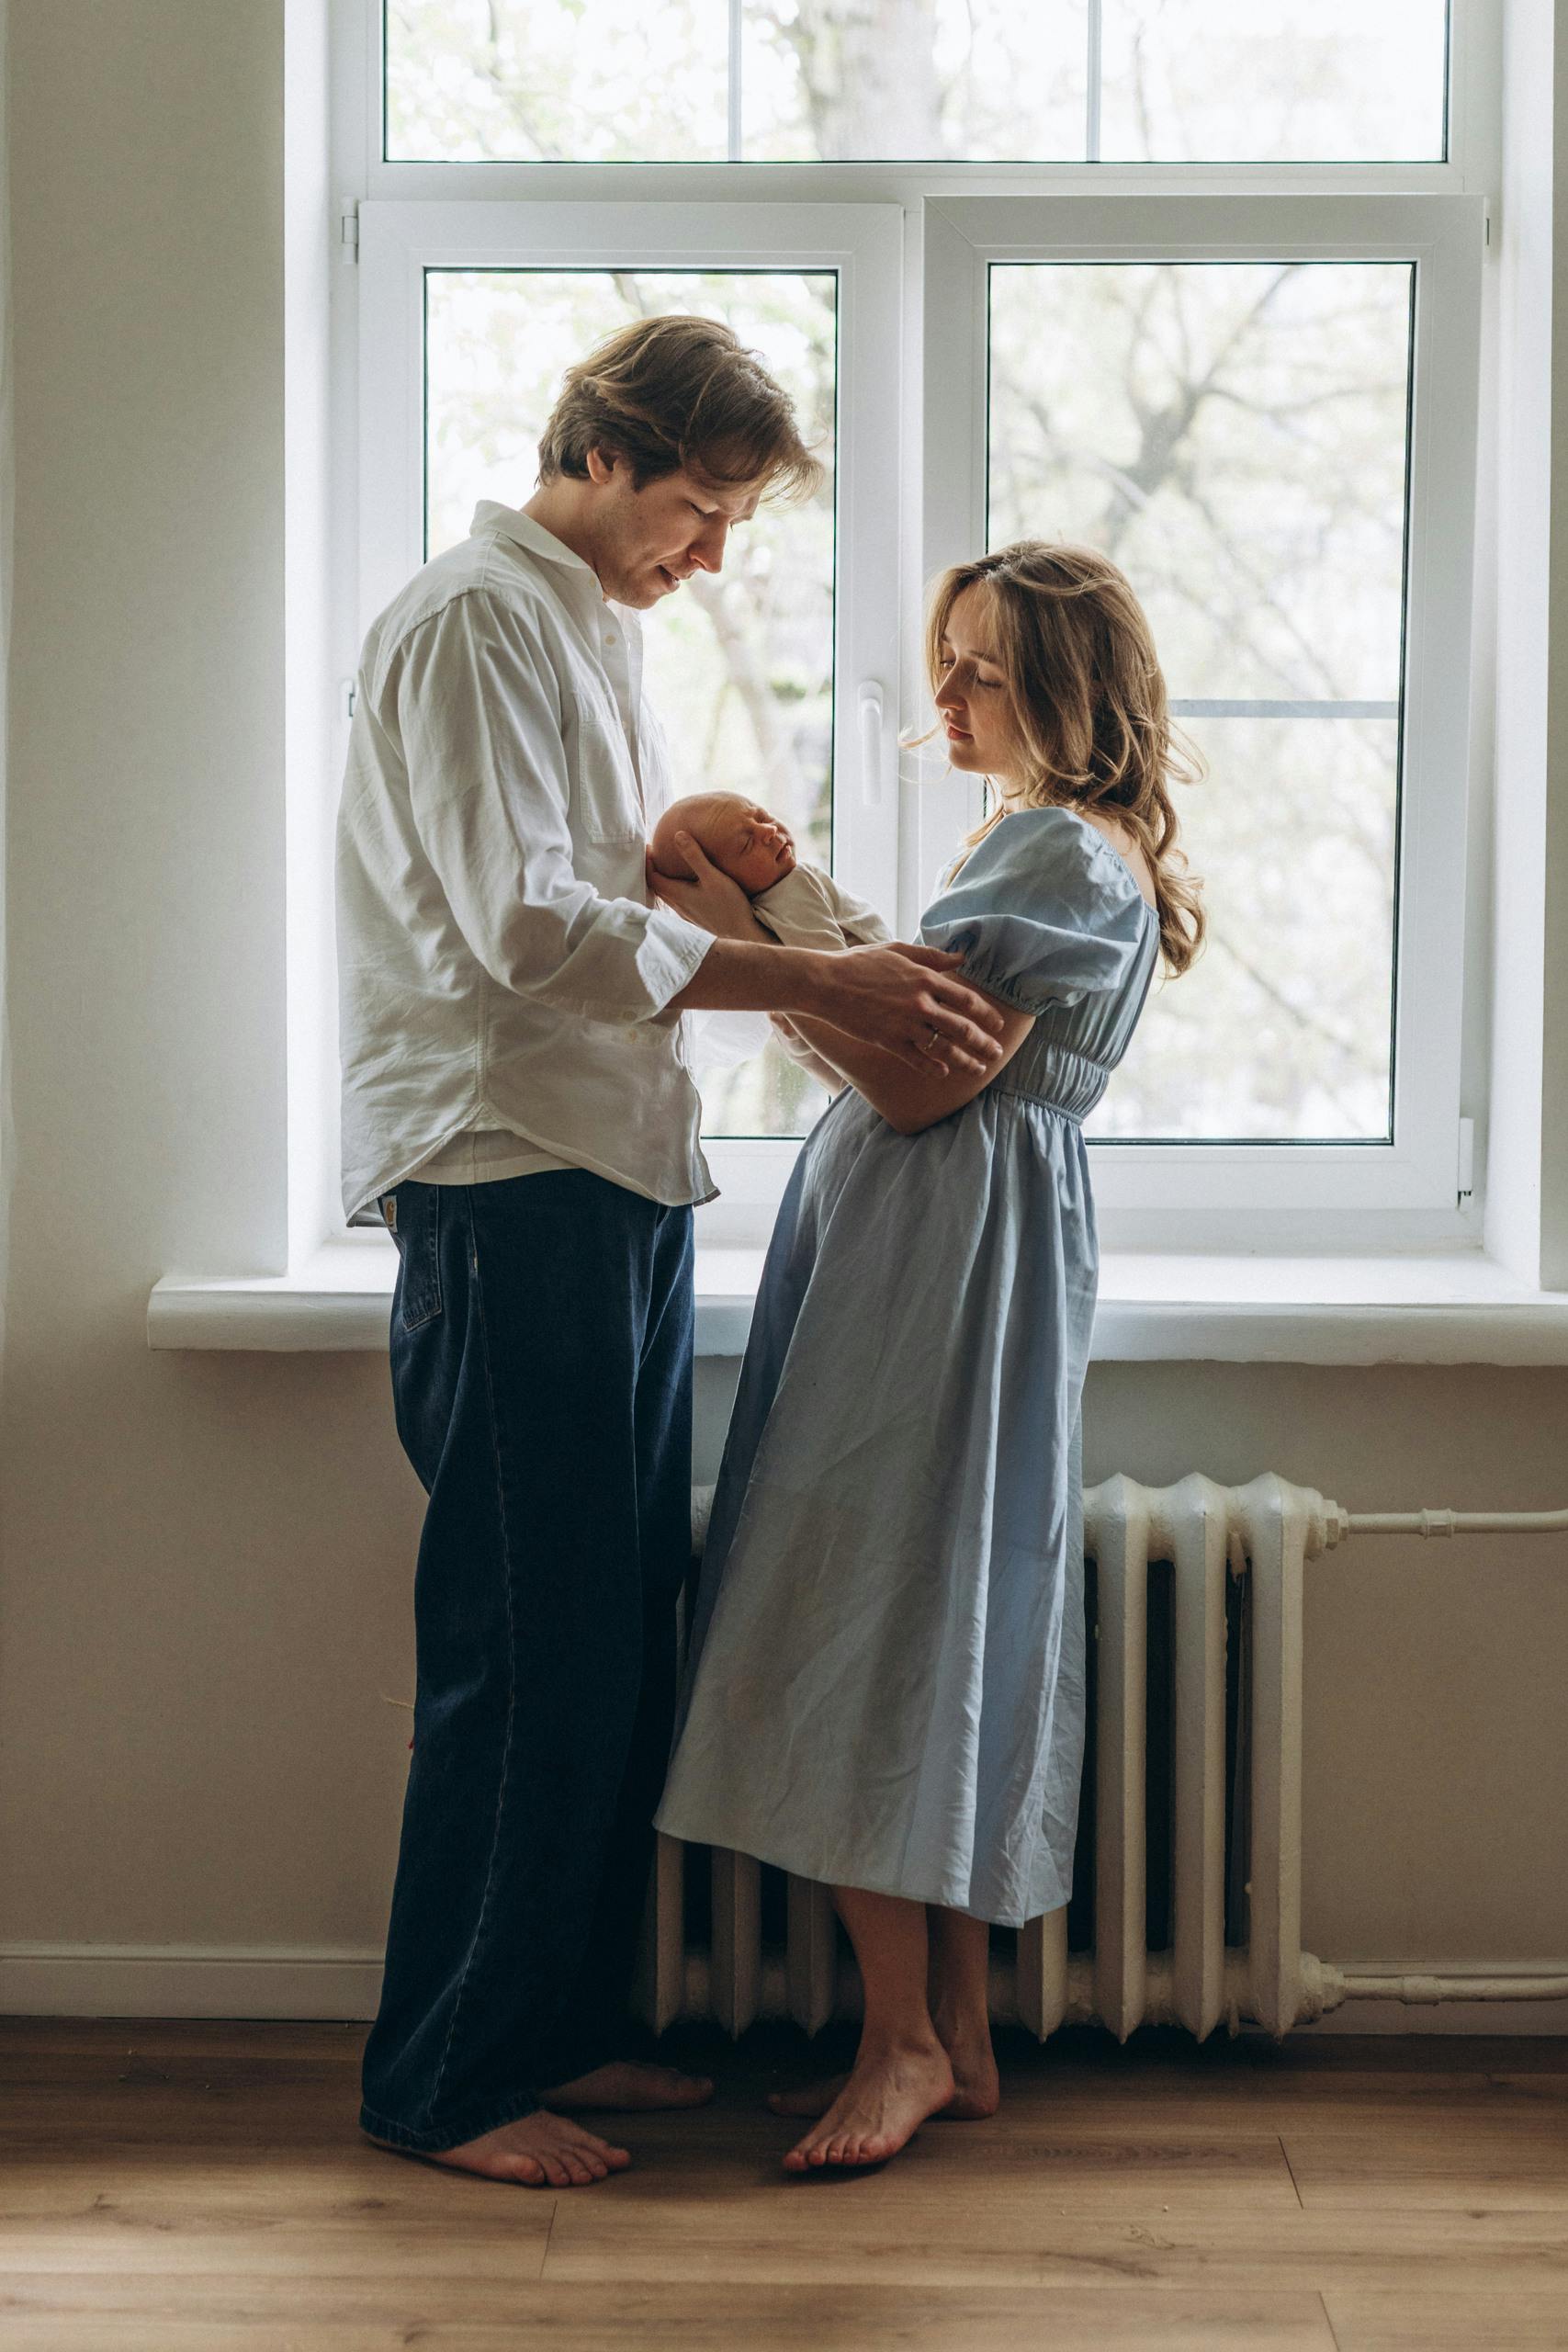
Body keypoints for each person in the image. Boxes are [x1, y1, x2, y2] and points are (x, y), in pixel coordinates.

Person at [335, 313, 1007, 2191]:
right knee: (527, 1646)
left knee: (611, 1637)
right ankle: (443, 2075)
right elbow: (520, 930)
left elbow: (576, 872)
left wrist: (675, 837)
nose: (707, 557)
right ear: (608, 451)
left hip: (607, 1169)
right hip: (506, 1175)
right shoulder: (477, 617)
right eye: (699, 513)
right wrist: (820, 970)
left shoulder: (575, 628)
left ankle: (544, 2020)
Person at [652, 540, 1205, 2173]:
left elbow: (908, 1085)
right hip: (959, 1252)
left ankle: (897, 2035)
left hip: (936, 1267)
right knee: (932, 1607)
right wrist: (796, 921)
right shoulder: (1051, 848)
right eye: (944, 661)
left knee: (867, 1607)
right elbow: (909, 1032)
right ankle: (950, 2034)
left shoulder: (1050, 851)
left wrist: (750, 948)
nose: (946, 695)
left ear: (1063, 685)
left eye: (980, 668)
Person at [649, 790, 891, 1085]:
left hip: (875, 1029)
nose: (769, 830)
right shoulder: (774, 900)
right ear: (716, 882)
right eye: (747, 843)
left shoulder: (794, 887)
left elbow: (834, 981)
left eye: (762, 816)